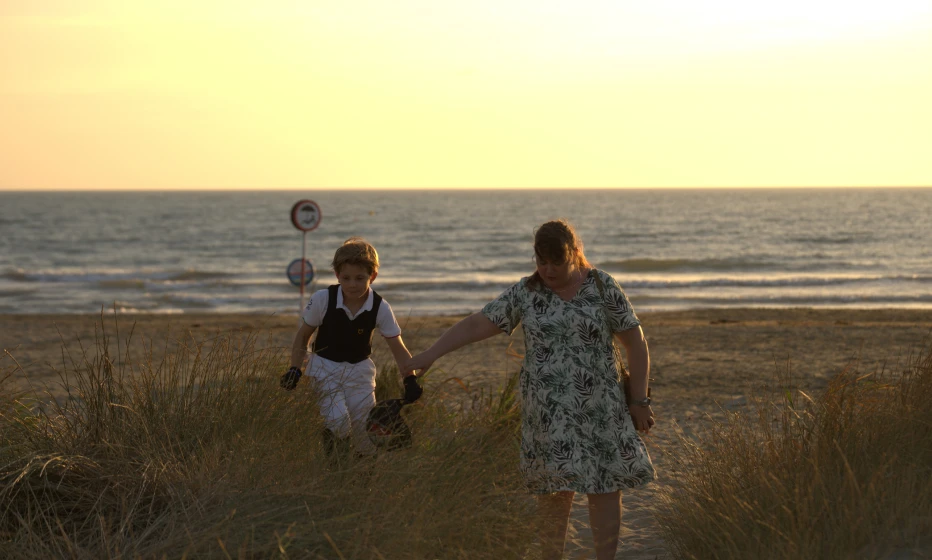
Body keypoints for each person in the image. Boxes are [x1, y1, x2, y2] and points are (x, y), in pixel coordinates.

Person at [405, 220, 654, 560]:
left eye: (557, 262)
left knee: (605, 487)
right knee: (553, 491)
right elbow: (479, 322)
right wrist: (431, 354)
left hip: (600, 407)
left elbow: (636, 344)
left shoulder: (601, 285)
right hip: (547, 411)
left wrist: (639, 399)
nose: (548, 270)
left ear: (575, 254)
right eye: (541, 261)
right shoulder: (527, 292)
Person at [281, 237, 422, 457]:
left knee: (365, 433)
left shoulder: (380, 307)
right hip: (324, 368)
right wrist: (295, 369)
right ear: (337, 275)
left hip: (360, 372)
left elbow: (398, 348)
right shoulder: (322, 299)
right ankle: (334, 463)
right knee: (338, 421)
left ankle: (362, 476)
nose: (352, 284)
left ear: (372, 276)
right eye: (345, 278)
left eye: (360, 278)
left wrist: (410, 378)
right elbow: (302, 337)